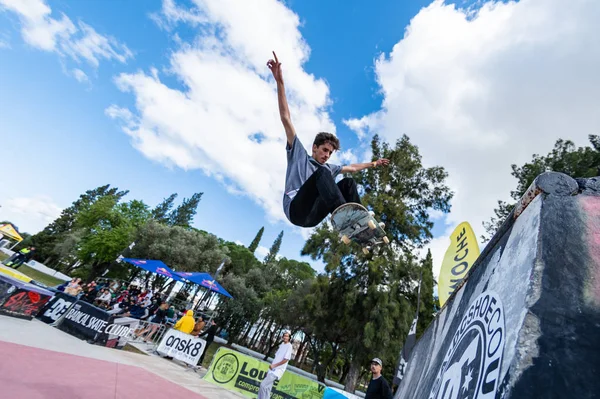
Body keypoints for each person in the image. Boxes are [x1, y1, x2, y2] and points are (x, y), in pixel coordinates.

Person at [267, 52, 389, 228]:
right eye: (325, 150)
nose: (327, 156)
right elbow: (286, 119)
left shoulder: (329, 168)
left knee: (348, 183)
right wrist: (280, 83)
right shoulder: (298, 154)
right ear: (314, 148)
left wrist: (374, 164)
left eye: (330, 153)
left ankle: (361, 224)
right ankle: (345, 216)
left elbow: (352, 168)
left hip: (313, 216)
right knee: (323, 173)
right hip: (296, 210)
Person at [258, 331, 293, 399]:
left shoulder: (289, 346)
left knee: (263, 385)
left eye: (287, 336)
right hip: (272, 369)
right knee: (267, 388)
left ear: (289, 338)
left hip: (277, 371)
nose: (285, 337)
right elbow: (277, 358)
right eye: (284, 336)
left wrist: (274, 366)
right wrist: (270, 368)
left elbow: (286, 359)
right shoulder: (282, 344)